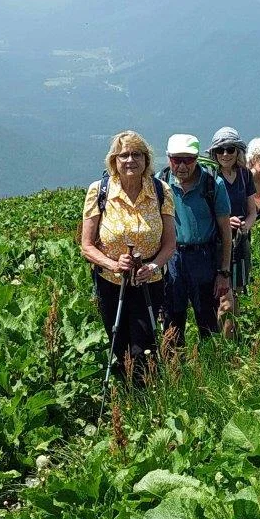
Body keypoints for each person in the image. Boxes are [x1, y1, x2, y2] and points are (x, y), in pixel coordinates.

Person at [80, 131, 175, 379]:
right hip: (111, 282)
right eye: (124, 155)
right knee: (118, 343)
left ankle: (145, 397)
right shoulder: (99, 191)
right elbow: (87, 246)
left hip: (149, 282)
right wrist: (113, 264)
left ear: (146, 160)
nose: (130, 160)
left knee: (144, 347)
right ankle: (126, 395)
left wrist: (153, 267)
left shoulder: (161, 191)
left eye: (137, 154)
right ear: (114, 161)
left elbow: (170, 244)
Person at [160, 133, 232, 344]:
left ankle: (210, 367)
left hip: (204, 257)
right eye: (176, 160)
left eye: (188, 160)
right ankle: (174, 367)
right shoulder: (160, 184)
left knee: (207, 319)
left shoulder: (213, 184)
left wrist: (224, 272)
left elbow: (226, 232)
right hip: (171, 258)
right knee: (172, 320)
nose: (182, 166)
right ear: (168, 158)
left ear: (197, 158)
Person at [208, 127, 258, 337]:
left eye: (230, 149)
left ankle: (231, 338)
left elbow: (252, 211)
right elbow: (205, 213)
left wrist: (246, 224)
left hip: (240, 242)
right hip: (218, 244)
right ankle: (227, 346)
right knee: (225, 297)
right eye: (220, 150)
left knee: (235, 293)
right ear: (214, 153)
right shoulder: (209, 177)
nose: (225, 154)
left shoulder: (245, 175)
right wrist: (225, 222)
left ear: (238, 151)